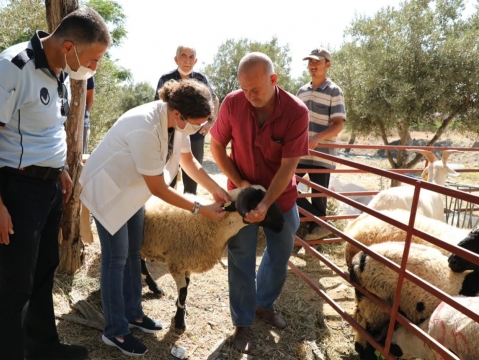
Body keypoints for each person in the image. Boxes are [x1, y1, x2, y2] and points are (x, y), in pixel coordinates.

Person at [0, 8, 111, 360]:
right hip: (16, 190)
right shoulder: (12, 67)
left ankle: (43, 348)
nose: (92, 68)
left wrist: (58, 169)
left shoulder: (60, 70)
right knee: (12, 288)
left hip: (47, 188)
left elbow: (43, 130)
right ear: (68, 47)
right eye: (92, 59)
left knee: (42, 273)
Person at [79, 79, 230, 356]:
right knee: (115, 260)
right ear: (178, 114)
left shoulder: (176, 121)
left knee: (134, 253)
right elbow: (159, 188)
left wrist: (216, 189)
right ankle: (115, 331)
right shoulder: (145, 126)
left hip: (133, 192)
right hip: (110, 192)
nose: (199, 130)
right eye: (197, 124)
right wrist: (200, 208)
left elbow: (189, 162)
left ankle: (134, 314)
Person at [209, 52, 310, 352]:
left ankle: (263, 303)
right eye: (244, 88)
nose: (249, 96)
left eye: (256, 89)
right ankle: (242, 322)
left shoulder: (296, 111)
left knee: (281, 251)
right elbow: (216, 145)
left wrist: (265, 203)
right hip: (242, 193)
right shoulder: (232, 103)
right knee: (240, 257)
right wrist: (243, 187)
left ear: (273, 79)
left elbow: (288, 167)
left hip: (281, 196)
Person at [295, 48, 346, 240]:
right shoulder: (301, 91)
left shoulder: (334, 91)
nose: (313, 65)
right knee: (286, 188)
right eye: (310, 62)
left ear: (328, 65)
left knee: (318, 201)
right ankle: (323, 223)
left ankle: (313, 242)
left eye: (317, 62)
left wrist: (316, 139)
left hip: (322, 155)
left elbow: (338, 124)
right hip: (300, 153)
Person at [154, 45, 219, 194]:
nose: (187, 60)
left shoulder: (201, 79)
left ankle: (190, 210)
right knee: (168, 174)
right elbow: (158, 107)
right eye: (183, 56)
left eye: (191, 57)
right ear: (176, 59)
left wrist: (210, 123)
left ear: (195, 61)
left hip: (195, 134)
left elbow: (214, 100)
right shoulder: (165, 79)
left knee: (193, 177)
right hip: (171, 133)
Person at [83, 76, 95, 154]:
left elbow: (90, 100)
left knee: (78, 159)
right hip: (57, 124)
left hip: (82, 124)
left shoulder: (87, 72)